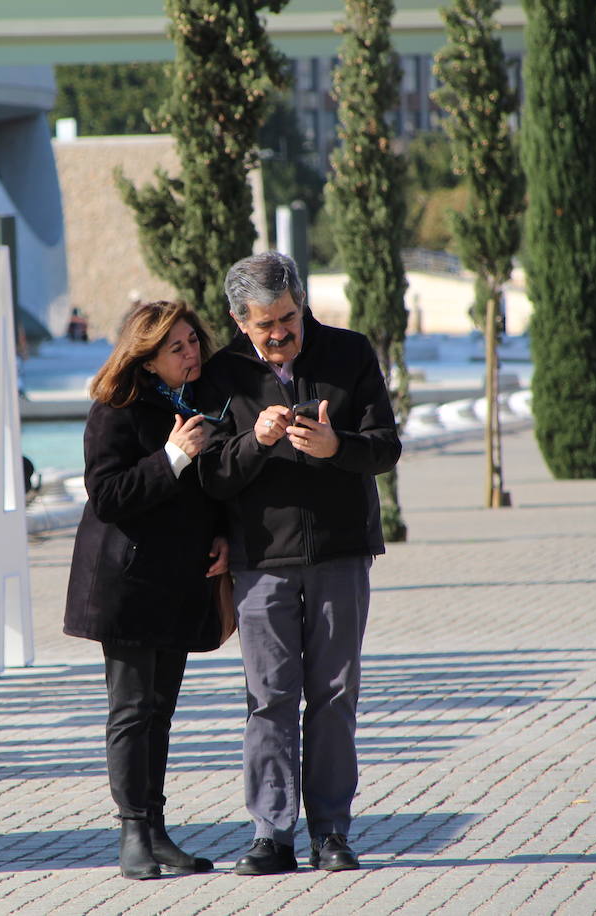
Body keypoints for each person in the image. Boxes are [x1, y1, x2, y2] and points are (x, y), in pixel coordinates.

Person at [194, 251, 401, 876]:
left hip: (340, 552)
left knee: (334, 695)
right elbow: (210, 473)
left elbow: (386, 446)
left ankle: (332, 832)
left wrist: (339, 446)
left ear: (302, 303)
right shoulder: (221, 375)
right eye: (265, 325)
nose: (281, 333)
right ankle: (272, 834)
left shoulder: (350, 352)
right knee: (268, 698)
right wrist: (253, 443)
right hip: (260, 561)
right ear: (238, 320)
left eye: (289, 316)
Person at [63, 300, 230, 880]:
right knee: (131, 711)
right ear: (147, 355)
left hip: (180, 581)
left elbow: (212, 490)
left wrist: (223, 536)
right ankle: (133, 832)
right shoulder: (117, 408)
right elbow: (107, 496)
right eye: (176, 346)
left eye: (193, 341)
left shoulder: (202, 404)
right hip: (128, 584)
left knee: (160, 711)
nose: (191, 353)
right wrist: (172, 457)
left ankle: (157, 831)